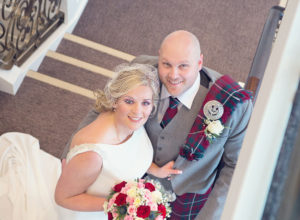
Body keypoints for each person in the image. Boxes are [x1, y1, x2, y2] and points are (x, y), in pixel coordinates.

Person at [66, 30, 253, 220]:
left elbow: (236, 166)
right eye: (166, 64)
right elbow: (102, 109)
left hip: (187, 196)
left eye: (183, 66)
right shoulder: (140, 69)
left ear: (199, 63)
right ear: (159, 58)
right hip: (131, 178)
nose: (173, 75)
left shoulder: (233, 104)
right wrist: (72, 157)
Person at [0, 63, 172, 219]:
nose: (138, 111)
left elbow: (131, 155)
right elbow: (62, 198)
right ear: (115, 101)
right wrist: (120, 204)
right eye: (129, 101)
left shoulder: (131, 123)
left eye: (146, 103)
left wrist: (157, 171)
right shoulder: (93, 154)